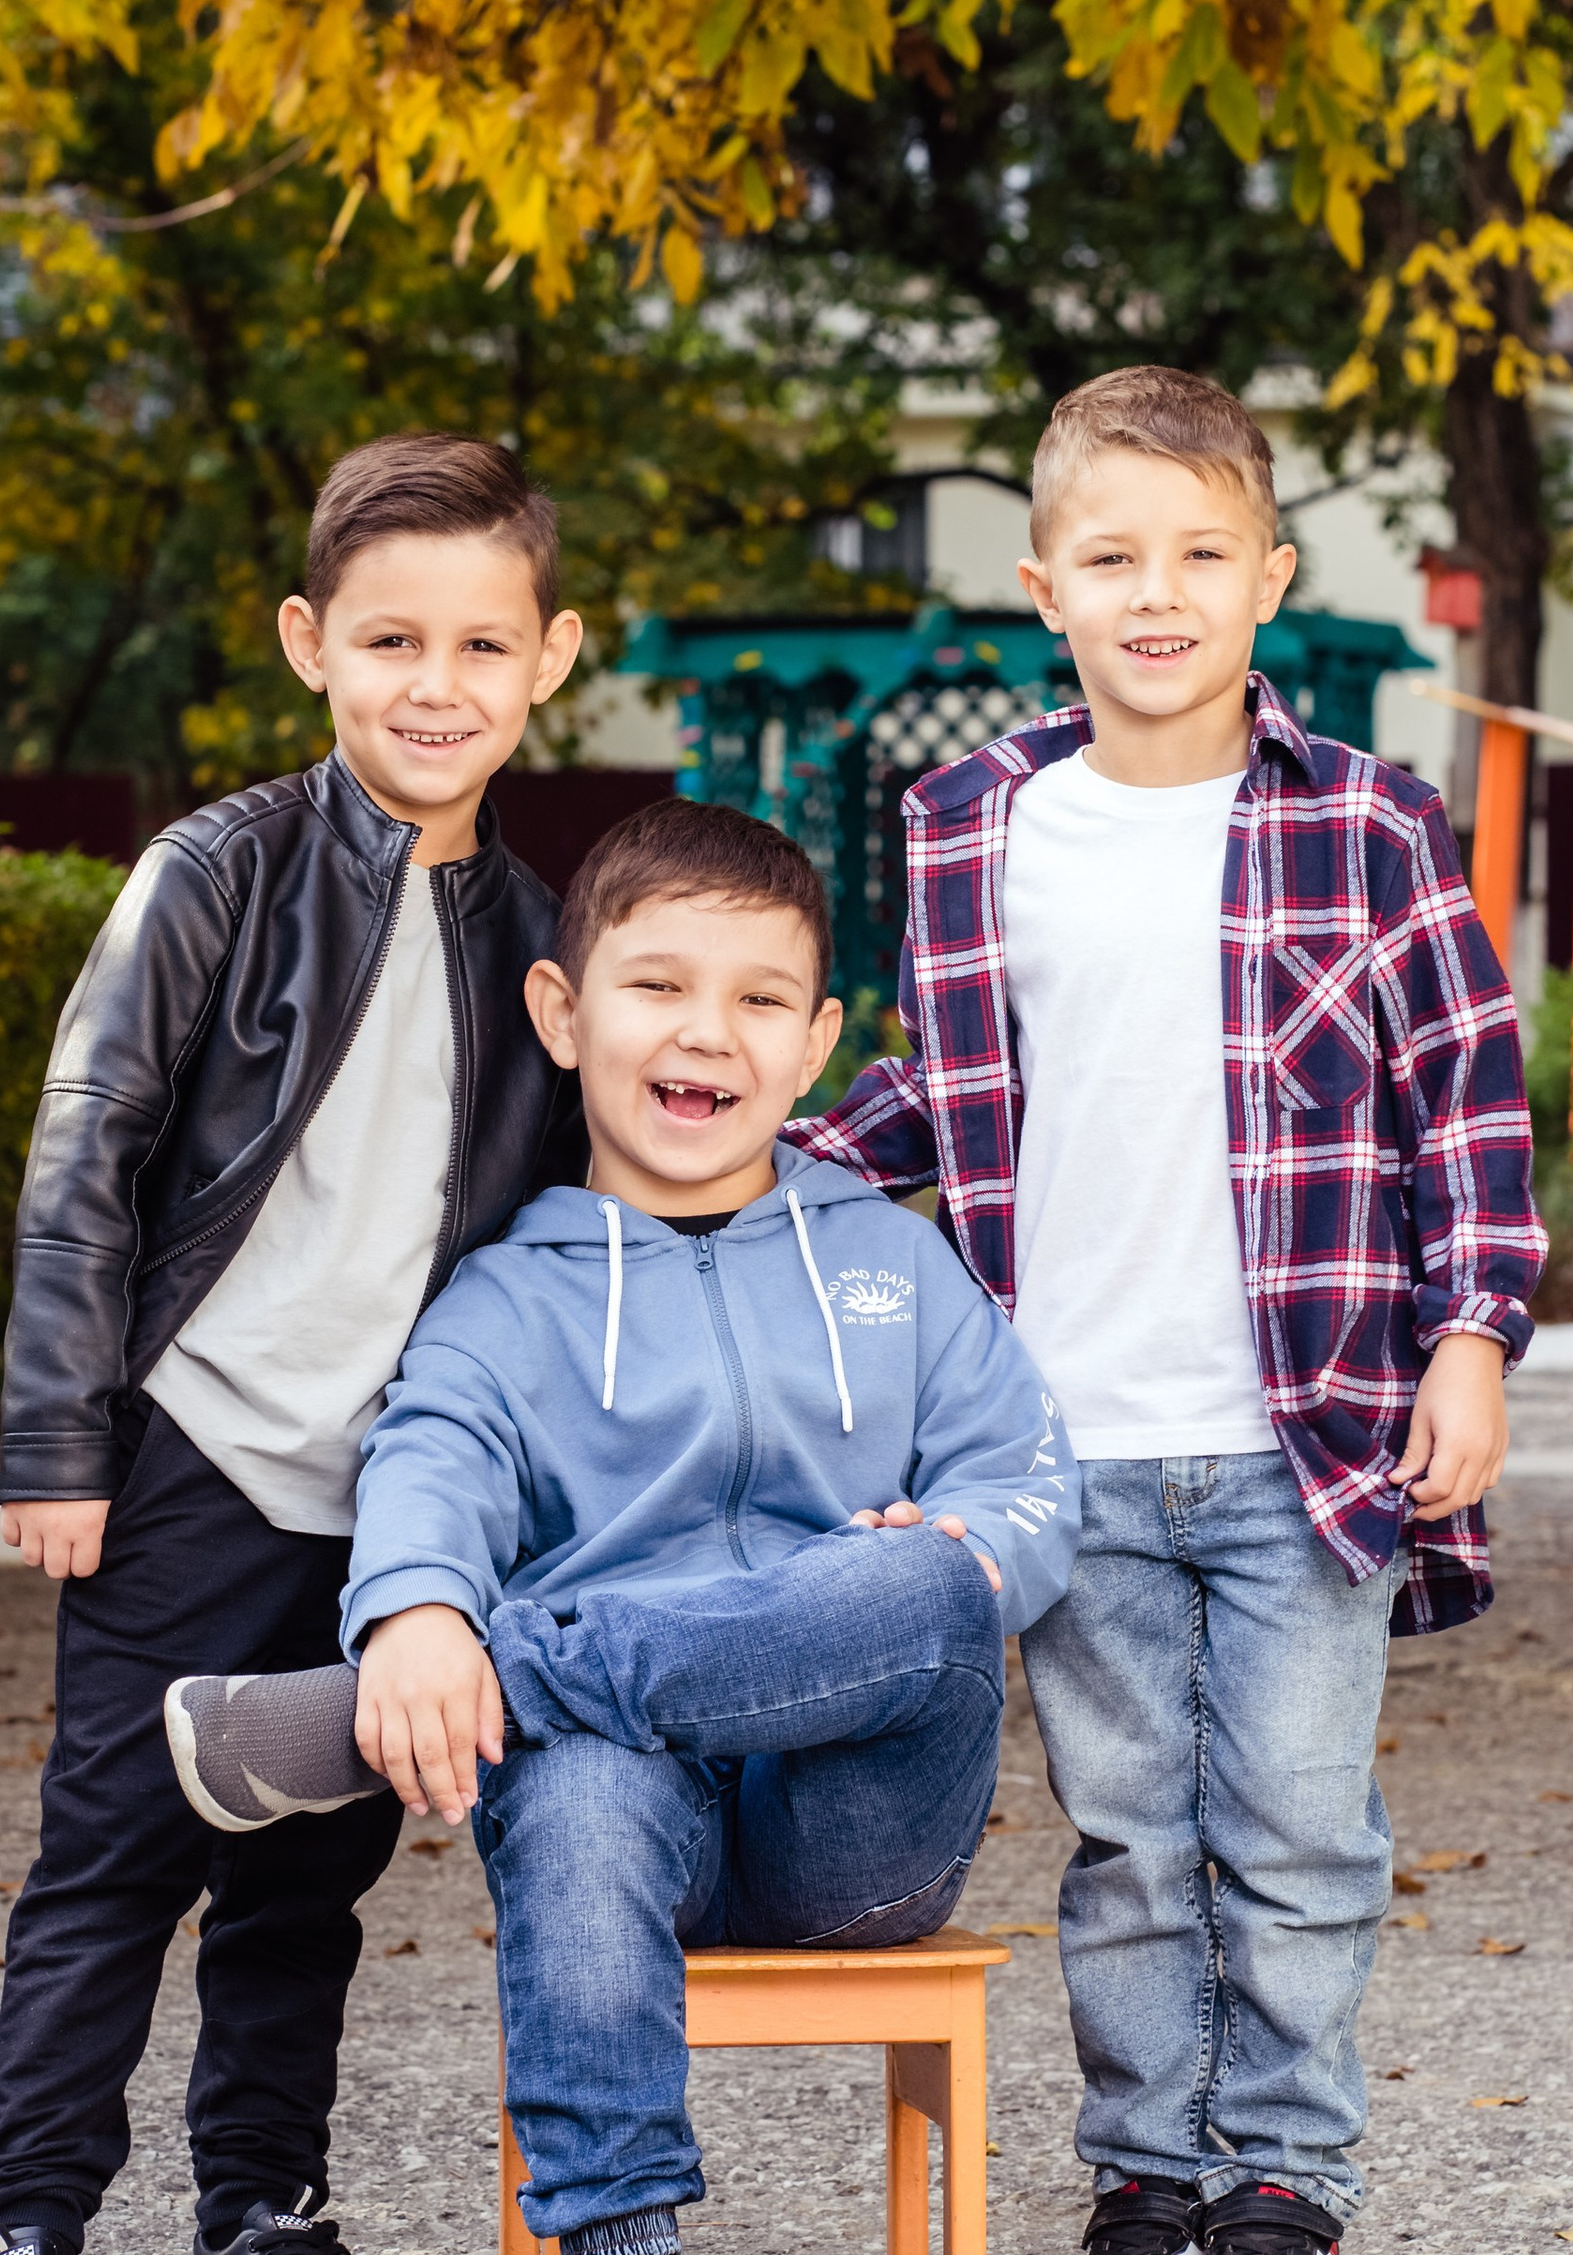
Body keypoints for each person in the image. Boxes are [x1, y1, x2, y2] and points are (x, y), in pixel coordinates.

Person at [787, 367, 1547, 2255]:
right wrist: (748, 1160)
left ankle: (1285, 2167)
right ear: (1042, 588)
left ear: (1269, 577)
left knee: (1295, 1831)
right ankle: (1146, 2166)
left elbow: (1465, 1094)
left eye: (1203, 553)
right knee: (1128, 1840)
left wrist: (1475, 1338)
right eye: (1112, 555)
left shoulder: (1371, 825)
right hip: (1063, 1437)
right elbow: (948, 1096)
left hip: (1319, 1431)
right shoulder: (972, 823)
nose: (1159, 591)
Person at [160, 799, 1079, 2255]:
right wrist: (411, 1617)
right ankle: (619, 2240)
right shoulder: (502, 1301)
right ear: (565, 1011)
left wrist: (959, 1545)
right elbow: (431, 1462)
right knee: (579, 1783)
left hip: (855, 1826)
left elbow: (1029, 1481)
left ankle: (487, 1684)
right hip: (615, 1811)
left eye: (759, 1000)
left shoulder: (895, 1264)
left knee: (930, 1580)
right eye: (658, 986)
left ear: (817, 1040)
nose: (708, 1033)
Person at [0, 434, 588, 2255]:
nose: (437, 686)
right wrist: (59, 1444)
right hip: (190, 1457)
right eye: (392, 643)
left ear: (549, 659)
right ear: (311, 641)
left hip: (390, 1500)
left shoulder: (539, 944)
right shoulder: (214, 874)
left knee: (306, 1876)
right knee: (115, 1856)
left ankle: (263, 2197)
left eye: (482, 646)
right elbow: (89, 1148)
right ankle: (27, 2207)